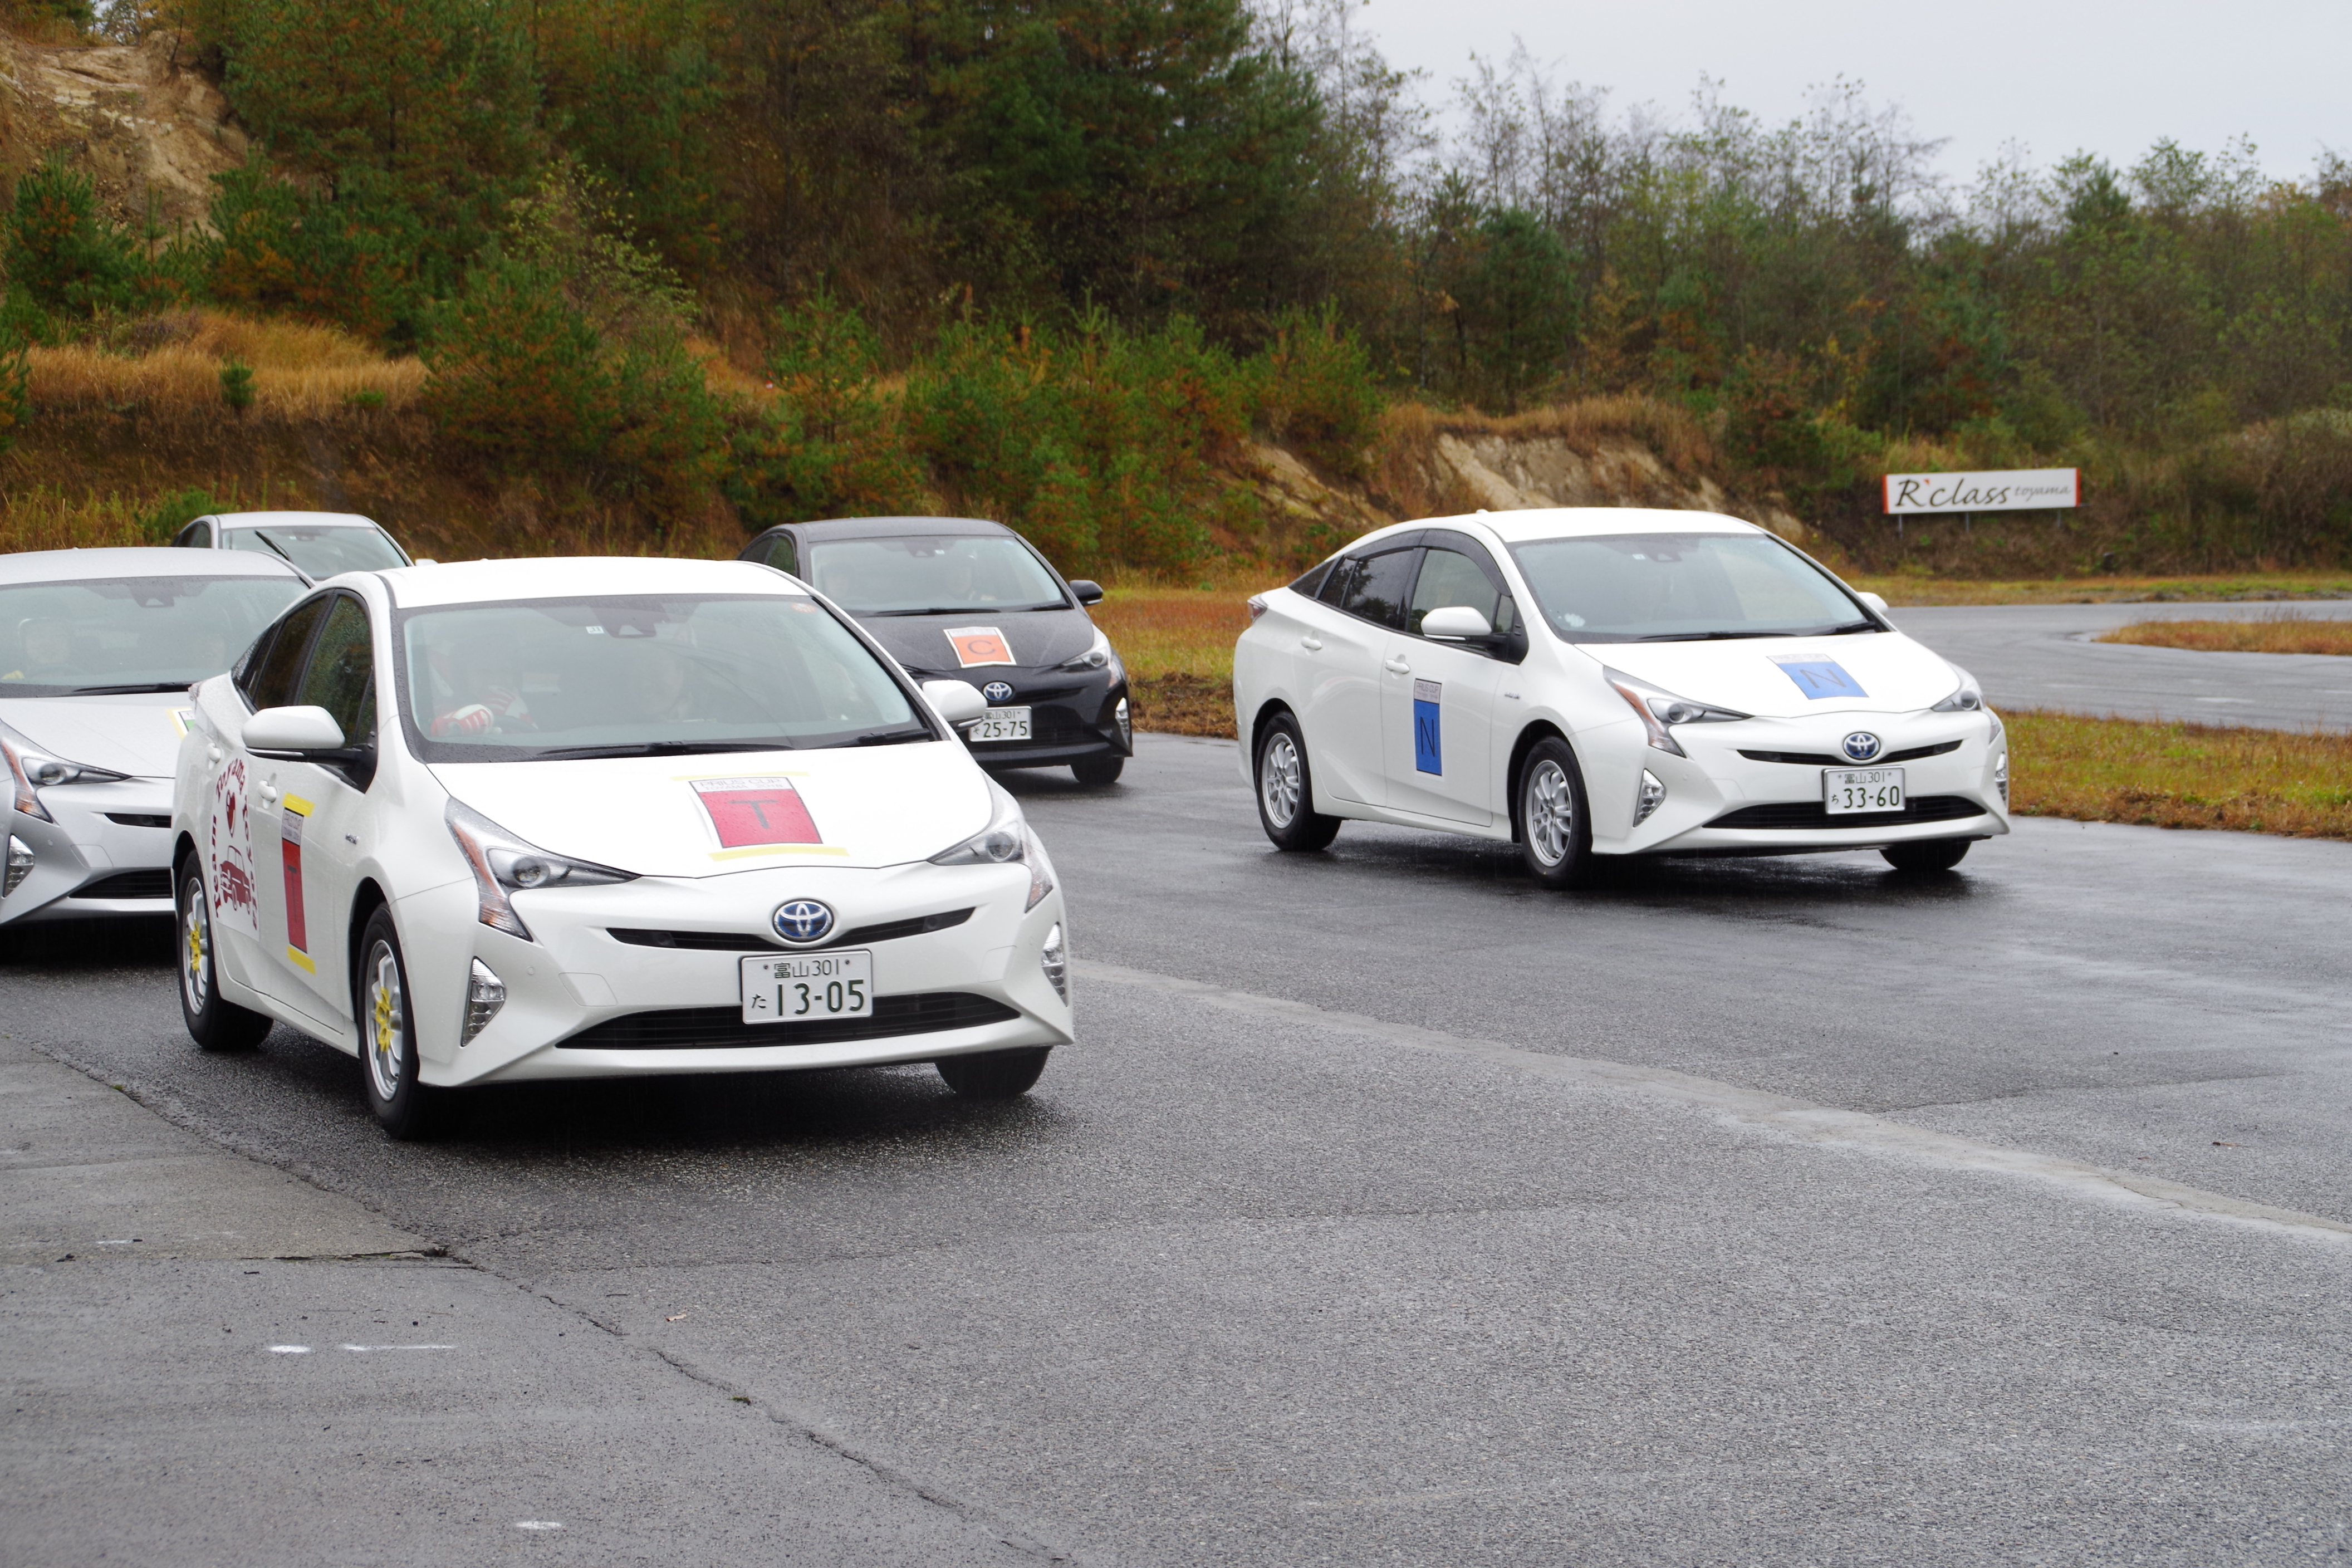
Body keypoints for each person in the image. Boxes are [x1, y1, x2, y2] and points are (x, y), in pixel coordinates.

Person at [3, 619, 74, 683]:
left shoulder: (84, 679)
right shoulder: (8, 683)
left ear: (71, 644)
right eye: (37, 636)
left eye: (58, 635)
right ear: (23, 644)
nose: (48, 643)